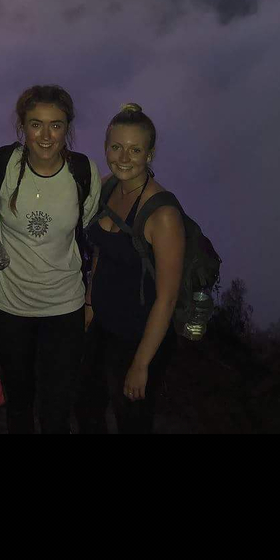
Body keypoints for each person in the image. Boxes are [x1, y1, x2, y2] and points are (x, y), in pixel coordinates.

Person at [0, 84, 101, 434]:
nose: (47, 135)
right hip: (10, 306)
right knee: (18, 404)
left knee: (56, 410)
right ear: (22, 127)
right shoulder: (2, 166)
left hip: (64, 308)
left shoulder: (83, 173)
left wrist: (90, 300)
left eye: (57, 124)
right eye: (36, 124)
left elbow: (90, 235)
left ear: (68, 127)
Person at [75, 102, 184, 435]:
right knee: (86, 408)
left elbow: (167, 298)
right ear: (106, 147)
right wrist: (91, 302)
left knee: (132, 421)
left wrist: (141, 364)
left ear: (149, 154)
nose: (124, 157)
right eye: (116, 147)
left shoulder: (161, 215)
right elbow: (102, 253)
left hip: (140, 335)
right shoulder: (109, 187)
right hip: (103, 324)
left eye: (135, 150)